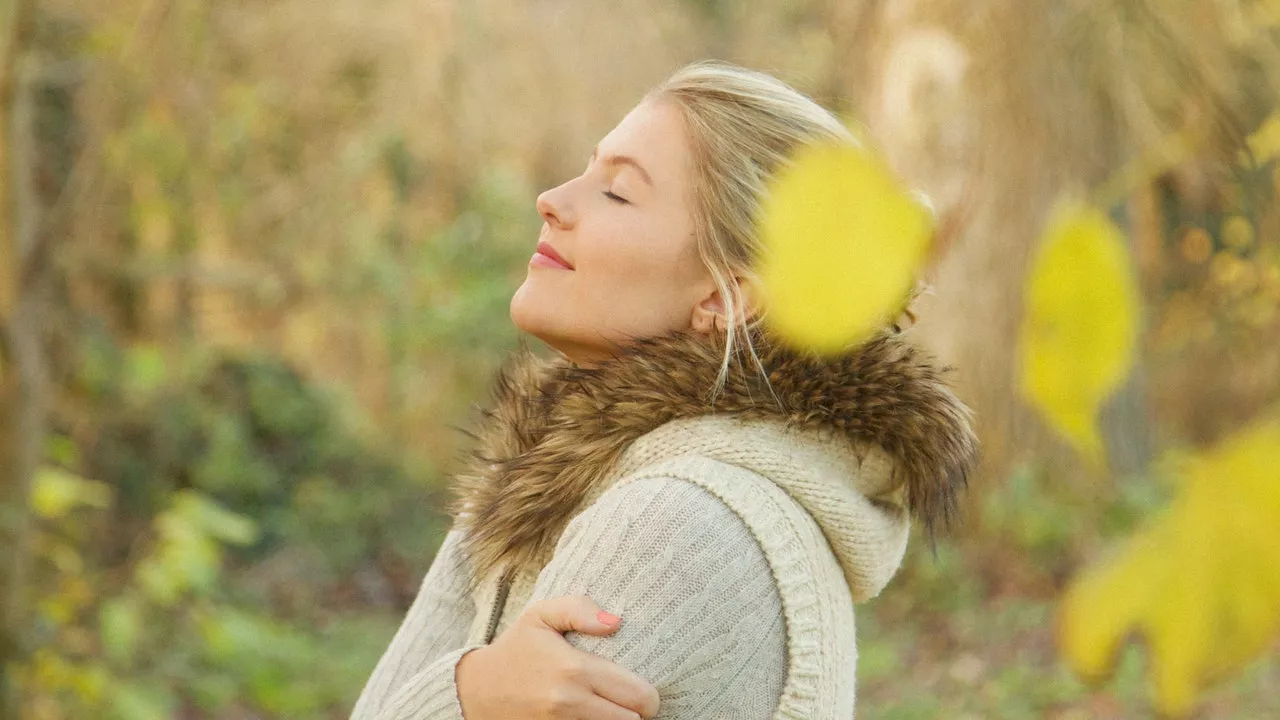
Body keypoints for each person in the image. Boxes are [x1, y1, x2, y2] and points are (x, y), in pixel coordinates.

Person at [350, 59, 977, 720]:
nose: (553, 200)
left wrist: (467, 696)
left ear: (725, 298)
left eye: (616, 191)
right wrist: (472, 689)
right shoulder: (555, 478)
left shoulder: (675, 522)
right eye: (588, 170)